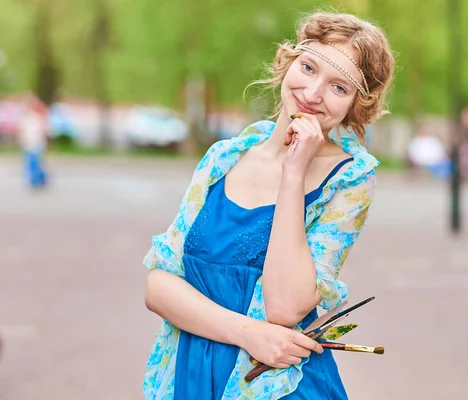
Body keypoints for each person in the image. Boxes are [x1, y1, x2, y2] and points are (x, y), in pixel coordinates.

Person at [142, 11, 394, 400]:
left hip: (274, 388)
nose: (312, 94)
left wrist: (294, 171)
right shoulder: (223, 158)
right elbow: (159, 286)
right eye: (308, 67)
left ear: (356, 106)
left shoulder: (350, 181)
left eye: (338, 88)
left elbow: (284, 307)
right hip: (194, 377)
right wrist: (251, 334)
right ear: (289, 60)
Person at [17, 95, 49, 190]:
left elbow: (42, 130)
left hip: (36, 142)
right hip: (30, 142)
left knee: (35, 161)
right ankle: (35, 179)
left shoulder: (36, 117)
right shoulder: (27, 117)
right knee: (31, 162)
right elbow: (22, 130)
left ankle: (39, 179)